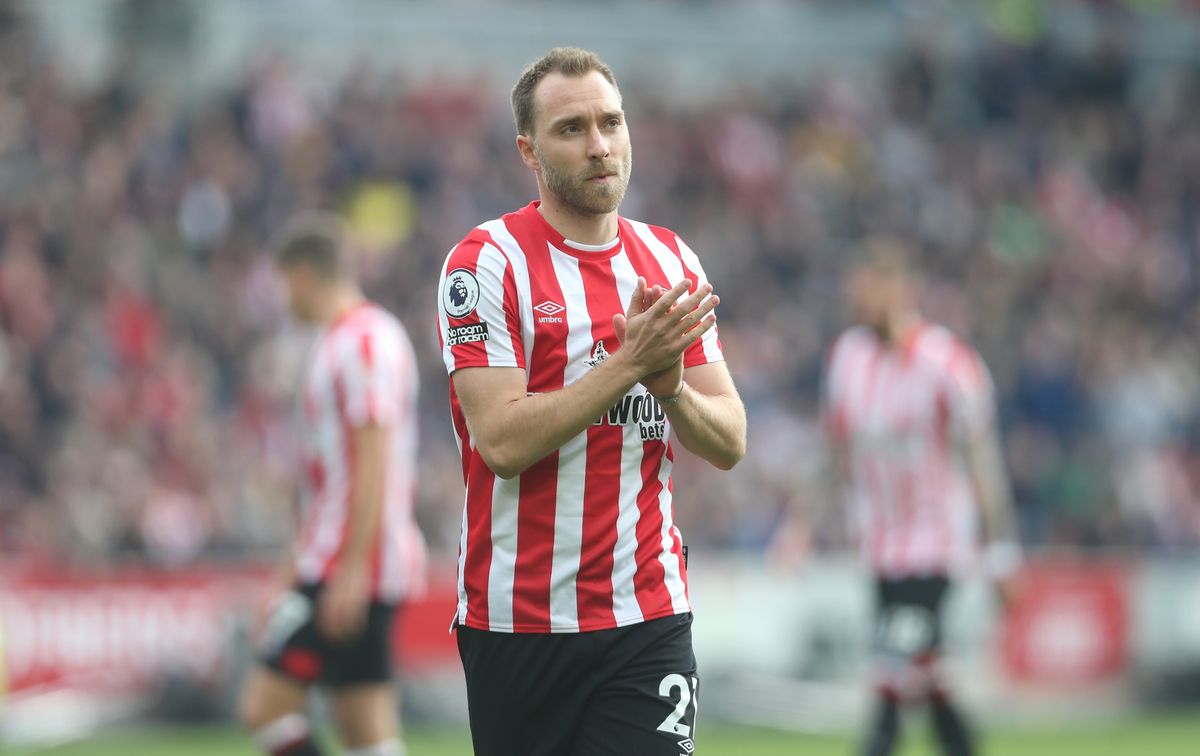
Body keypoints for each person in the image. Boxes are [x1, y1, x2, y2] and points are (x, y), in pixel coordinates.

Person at [436, 47, 746, 756]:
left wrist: (671, 391)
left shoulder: (671, 262)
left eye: (611, 122)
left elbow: (728, 440)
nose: (600, 146)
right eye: (571, 129)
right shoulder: (486, 262)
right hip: (516, 626)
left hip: (647, 617)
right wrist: (632, 364)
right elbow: (504, 444)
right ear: (529, 150)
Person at [822, 238, 1022, 756]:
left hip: (938, 545)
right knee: (927, 676)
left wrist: (1000, 551)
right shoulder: (848, 358)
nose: (857, 302)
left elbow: (983, 460)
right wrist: (802, 524)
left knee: (890, 669)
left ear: (898, 289)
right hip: (881, 547)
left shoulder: (949, 363)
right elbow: (834, 448)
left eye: (866, 290)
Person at [238, 215, 426, 756]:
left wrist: (352, 569)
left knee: (265, 707)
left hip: (349, 564)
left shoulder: (365, 342)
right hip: (332, 558)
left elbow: (376, 462)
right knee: (363, 728)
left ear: (300, 275)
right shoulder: (338, 343)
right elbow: (326, 483)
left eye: (279, 283)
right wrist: (287, 572)